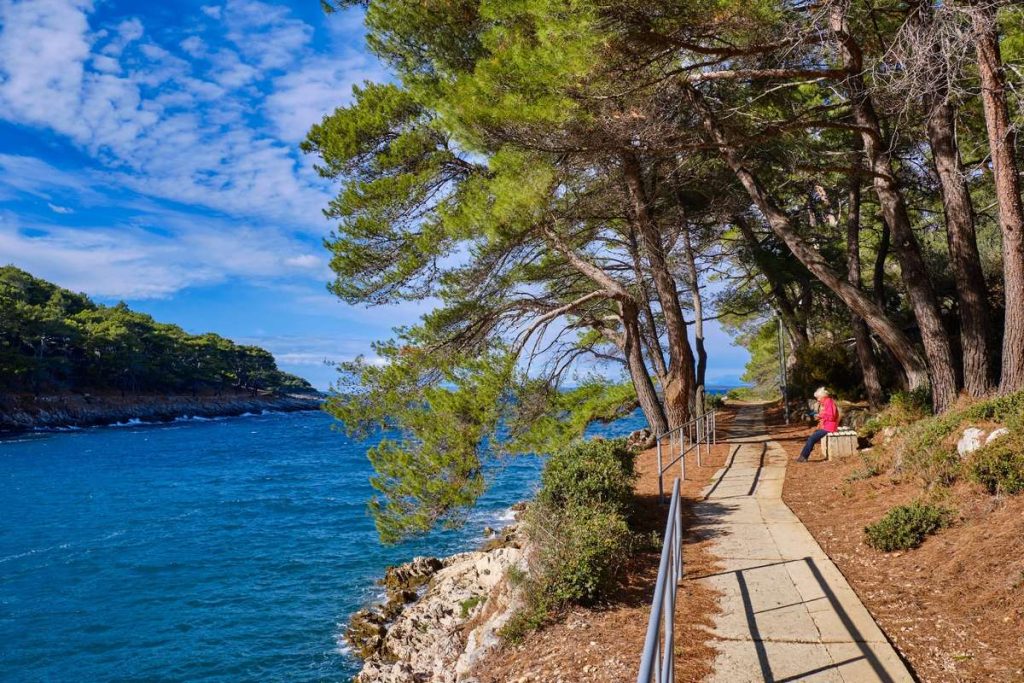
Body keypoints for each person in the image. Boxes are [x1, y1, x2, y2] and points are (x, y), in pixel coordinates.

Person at [797, 387, 839, 462]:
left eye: (818, 398)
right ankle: (803, 456)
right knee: (812, 438)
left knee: (811, 438)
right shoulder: (827, 402)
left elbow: (831, 416)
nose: (818, 400)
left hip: (829, 427)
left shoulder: (828, 402)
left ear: (823, 397)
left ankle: (803, 457)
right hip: (827, 426)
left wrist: (820, 415)